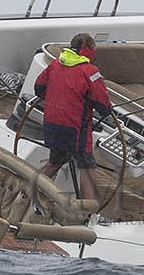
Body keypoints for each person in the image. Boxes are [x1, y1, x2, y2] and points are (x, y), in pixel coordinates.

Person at [34, 33, 112, 202]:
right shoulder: (90, 72)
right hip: (75, 129)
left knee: (55, 161)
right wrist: (108, 110)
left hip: (51, 124)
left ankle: (28, 192)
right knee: (87, 166)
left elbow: (39, 88)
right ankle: (86, 209)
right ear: (90, 51)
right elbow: (103, 106)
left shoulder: (55, 64)